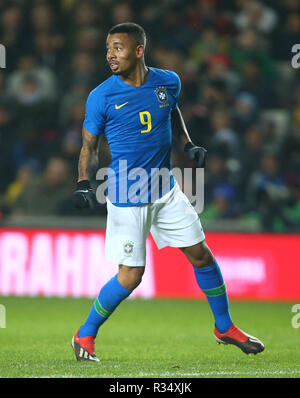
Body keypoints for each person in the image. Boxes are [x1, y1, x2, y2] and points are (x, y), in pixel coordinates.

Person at [72, 23, 264, 362]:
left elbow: (171, 110)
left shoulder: (168, 81)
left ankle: (224, 327)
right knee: (131, 276)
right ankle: (84, 335)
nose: (110, 55)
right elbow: (88, 144)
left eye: (117, 48)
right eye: (107, 48)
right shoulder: (101, 95)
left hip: (165, 191)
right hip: (126, 195)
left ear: (138, 51)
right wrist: (84, 183)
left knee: (202, 255)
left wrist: (187, 144)